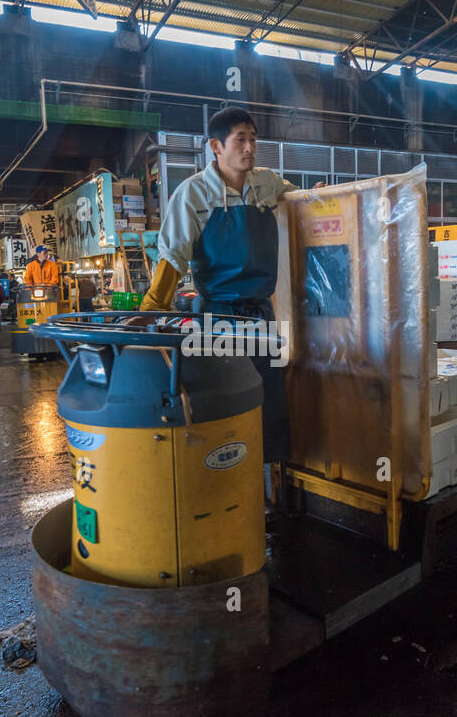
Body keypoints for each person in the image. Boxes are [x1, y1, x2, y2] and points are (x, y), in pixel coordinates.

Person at [138, 106, 324, 466]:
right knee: (226, 404)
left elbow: (298, 200)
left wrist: (316, 194)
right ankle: (226, 479)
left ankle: (267, 491)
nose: (250, 147)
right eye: (241, 139)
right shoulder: (192, 195)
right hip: (217, 319)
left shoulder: (266, 183)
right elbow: (173, 258)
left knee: (270, 402)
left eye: (253, 139)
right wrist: (149, 313)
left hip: (263, 318)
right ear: (216, 147)